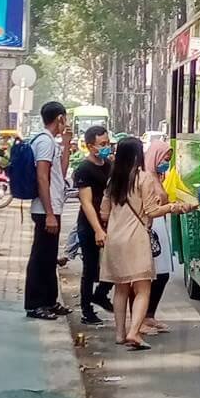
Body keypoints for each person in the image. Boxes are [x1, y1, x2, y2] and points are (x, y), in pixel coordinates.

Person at [100, 137, 194, 350]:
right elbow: (152, 211)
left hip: (114, 240)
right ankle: (134, 332)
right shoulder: (144, 179)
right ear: (138, 155)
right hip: (136, 240)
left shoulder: (113, 180)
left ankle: (119, 334)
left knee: (121, 289)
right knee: (143, 289)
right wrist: (173, 208)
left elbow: (104, 213)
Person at [24, 101, 72, 320]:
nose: (66, 123)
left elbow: (59, 173)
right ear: (60, 118)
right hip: (45, 209)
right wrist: (50, 213)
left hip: (52, 207)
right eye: (65, 118)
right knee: (41, 258)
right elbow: (42, 177)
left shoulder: (51, 142)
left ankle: (50, 301)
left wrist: (67, 144)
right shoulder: (44, 142)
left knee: (49, 256)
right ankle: (35, 304)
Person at [74, 125, 115, 325]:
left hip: (110, 223)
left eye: (108, 143)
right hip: (89, 225)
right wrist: (98, 229)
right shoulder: (83, 169)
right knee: (90, 268)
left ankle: (100, 294)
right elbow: (86, 202)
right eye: (103, 144)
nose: (107, 147)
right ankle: (86, 310)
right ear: (91, 146)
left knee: (115, 263)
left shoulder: (108, 165)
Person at [142, 139, 174, 333]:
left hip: (160, 226)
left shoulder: (158, 176)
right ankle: (142, 319)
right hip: (151, 227)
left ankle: (149, 316)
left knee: (162, 274)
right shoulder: (146, 177)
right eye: (164, 158)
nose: (166, 162)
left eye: (168, 159)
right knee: (151, 275)